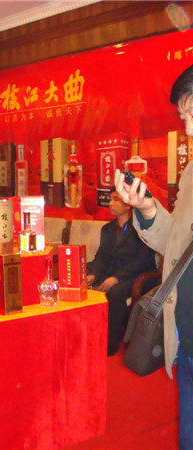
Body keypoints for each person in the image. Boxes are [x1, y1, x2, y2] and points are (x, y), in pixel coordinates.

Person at [114, 63, 193, 449]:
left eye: (192, 113)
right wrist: (146, 209)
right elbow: (177, 246)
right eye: (184, 117)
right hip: (188, 338)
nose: (188, 129)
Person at [86, 188, 157, 356]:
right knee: (83, 280)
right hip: (114, 273)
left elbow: (142, 260)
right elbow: (102, 257)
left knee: (115, 292)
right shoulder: (108, 229)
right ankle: (89, 335)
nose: (110, 203)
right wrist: (93, 274)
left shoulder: (140, 228)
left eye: (116, 199)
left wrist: (116, 278)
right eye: (110, 199)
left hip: (139, 275)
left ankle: (110, 343)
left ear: (128, 204)